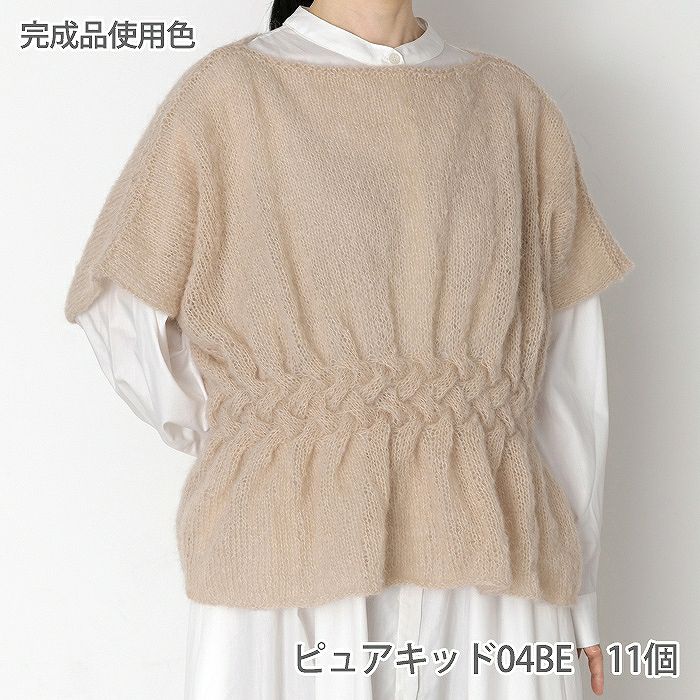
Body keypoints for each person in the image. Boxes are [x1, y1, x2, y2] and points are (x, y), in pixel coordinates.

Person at [64, 1, 634, 697]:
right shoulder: (230, 96)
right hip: (286, 565)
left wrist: (581, 593)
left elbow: (569, 379)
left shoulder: (512, 106)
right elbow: (123, 309)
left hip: (493, 564)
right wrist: (261, 431)